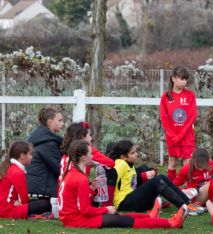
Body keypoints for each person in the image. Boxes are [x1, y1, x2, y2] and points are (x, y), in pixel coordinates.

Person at [58, 140, 187, 229]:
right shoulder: (80, 177)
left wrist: (91, 190)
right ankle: (171, 223)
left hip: (73, 218)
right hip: (77, 220)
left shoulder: (73, 173)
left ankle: (150, 216)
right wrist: (106, 209)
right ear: (83, 158)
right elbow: (85, 210)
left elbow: (77, 203)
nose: (93, 156)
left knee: (120, 217)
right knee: (125, 221)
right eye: (90, 154)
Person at [109, 140, 195, 214]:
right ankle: (184, 207)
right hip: (123, 203)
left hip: (131, 199)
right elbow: (109, 180)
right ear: (123, 157)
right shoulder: (120, 164)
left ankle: (188, 203)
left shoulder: (129, 164)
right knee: (156, 181)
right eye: (133, 153)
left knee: (161, 177)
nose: (136, 154)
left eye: (136, 151)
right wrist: (107, 206)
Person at [160, 67, 197, 181]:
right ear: (173, 79)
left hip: (186, 135)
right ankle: (171, 187)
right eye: (182, 79)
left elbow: (192, 115)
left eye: (186, 79)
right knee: (172, 160)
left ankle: (188, 187)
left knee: (187, 161)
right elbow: (164, 118)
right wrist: (172, 135)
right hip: (172, 136)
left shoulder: (190, 95)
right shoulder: (166, 96)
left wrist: (181, 135)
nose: (184, 82)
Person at [0, 141, 51, 219]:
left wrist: (15, 201)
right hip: (7, 210)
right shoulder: (17, 171)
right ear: (22, 156)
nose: (31, 157)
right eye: (30, 154)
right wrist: (18, 203)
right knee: (46, 204)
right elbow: (24, 199)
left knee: (40, 200)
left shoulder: (9, 166)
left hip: (6, 206)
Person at [26, 107, 64, 198]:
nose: (62, 123)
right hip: (41, 192)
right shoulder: (48, 144)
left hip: (35, 189)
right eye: (59, 120)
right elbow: (59, 169)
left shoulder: (41, 138)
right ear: (50, 122)